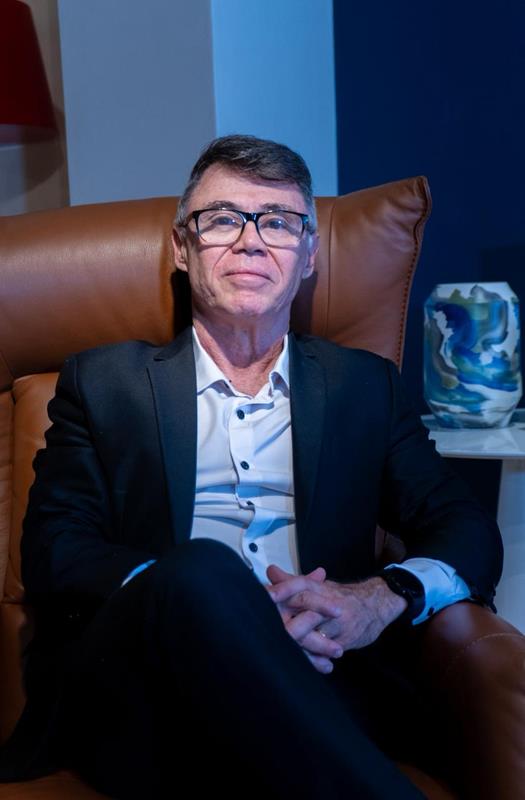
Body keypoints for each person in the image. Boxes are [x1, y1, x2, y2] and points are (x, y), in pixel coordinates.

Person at [3, 135, 502, 798]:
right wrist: (219, 606)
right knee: (201, 568)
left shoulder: (364, 388)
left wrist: (380, 597)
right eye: (222, 220)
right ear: (182, 248)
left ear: (308, 255)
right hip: (141, 688)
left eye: (278, 222)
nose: (250, 242)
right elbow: (54, 548)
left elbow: (464, 526)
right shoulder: (103, 384)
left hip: (322, 675)